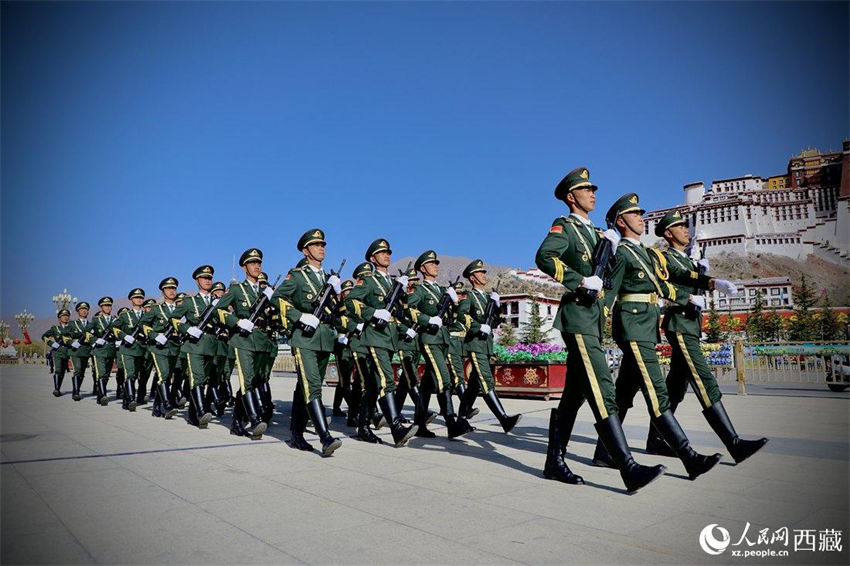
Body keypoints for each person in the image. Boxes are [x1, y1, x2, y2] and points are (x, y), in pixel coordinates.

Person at [535, 167, 666, 492]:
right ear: (571, 196)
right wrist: (578, 280)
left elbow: (607, 276)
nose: (593, 193)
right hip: (577, 316)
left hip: (592, 317)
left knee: (574, 395)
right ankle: (628, 467)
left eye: (594, 189)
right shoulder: (564, 227)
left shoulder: (595, 233)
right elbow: (543, 257)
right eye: (586, 190)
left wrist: (608, 250)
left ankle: (554, 461)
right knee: (602, 386)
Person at [592, 193, 722, 481]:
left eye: (641, 213)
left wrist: (702, 288)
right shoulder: (621, 252)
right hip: (633, 326)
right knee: (656, 390)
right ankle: (689, 457)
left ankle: (604, 451)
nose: (641, 217)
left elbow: (665, 284)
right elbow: (607, 293)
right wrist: (593, 329)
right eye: (635, 213)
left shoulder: (645, 253)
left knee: (624, 392)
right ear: (622, 221)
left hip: (645, 327)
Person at [645, 210, 768, 463]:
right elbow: (676, 280)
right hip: (679, 323)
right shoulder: (666, 258)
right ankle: (734, 443)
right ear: (668, 233)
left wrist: (701, 273)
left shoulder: (688, 259)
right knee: (703, 379)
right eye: (680, 227)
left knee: (675, 388)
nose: (686, 230)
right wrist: (710, 282)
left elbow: (691, 279)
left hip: (690, 324)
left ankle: (655, 439)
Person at [271, 229, 344, 456]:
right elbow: (277, 298)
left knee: (305, 387)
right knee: (312, 385)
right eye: (316, 245)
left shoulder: (328, 278)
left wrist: (338, 293)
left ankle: (296, 434)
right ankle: (325, 437)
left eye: (323, 244)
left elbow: (336, 309)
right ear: (305, 250)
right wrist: (299, 316)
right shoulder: (298, 275)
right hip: (304, 339)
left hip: (324, 339)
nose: (321, 248)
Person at [344, 238, 417, 447]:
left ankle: (364, 427)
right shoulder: (368, 280)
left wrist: (403, 292)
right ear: (372, 258)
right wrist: (372, 312)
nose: (387, 255)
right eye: (382, 253)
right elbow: (350, 302)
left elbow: (400, 311)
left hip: (390, 337)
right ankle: (396, 428)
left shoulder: (393, 283)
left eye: (388, 252)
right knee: (387, 380)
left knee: (375, 384)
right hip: (375, 336)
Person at [407, 250, 472, 439]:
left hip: (443, 339)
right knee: (444, 379)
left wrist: (455, 303)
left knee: (427, 384)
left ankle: (419, 423)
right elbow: (409, 309)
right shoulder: (419, 290)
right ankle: (452, 423)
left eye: (436, 263)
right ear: (422, 269)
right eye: (431, 263)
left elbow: (454, 317)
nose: (436, 265)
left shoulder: (442, 290)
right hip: (429, 340)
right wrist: (427, 320)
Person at [456, 260, 522, 433]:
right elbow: (461, 316)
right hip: (475, 344)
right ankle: (504, 419)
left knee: (474, 385)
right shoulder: (469, 297)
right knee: (486, 380)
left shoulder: (487, 298)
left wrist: (497, 306)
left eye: (484, 272)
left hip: (486, 345)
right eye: (480, 273)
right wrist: (478, 327)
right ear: (472, 277)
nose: (484, 275)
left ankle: (460, 420)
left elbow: (496, 320)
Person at [215, 248, 270, 439]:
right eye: (253, 263)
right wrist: (236, 322)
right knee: (247, 379)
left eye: (259, 263)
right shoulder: (237, 289)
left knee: (254, 381)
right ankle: (255, 419)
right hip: (243, 339)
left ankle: (236, 422)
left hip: (262, 340)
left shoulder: (265, 291)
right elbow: (219, 310)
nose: (257, 266)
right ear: (244, 267)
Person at [172, 266, 218, 429]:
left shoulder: (216, 302)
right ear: (197, 281)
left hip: (211, 346)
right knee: (196, 378)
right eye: (204, 278)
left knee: (202, 380)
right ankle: (201, 411)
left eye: (210, 278)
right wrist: (187, 329)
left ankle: (192, 416)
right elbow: (174, 319)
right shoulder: (189, 302)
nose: (208, 280)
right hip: (194, 346)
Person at [143, 277, 182, 420]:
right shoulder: (155, 309)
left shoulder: (180, 309)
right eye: (168, 289)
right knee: (164, 374)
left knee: (166, 377)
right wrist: (154, 335)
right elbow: (143, 325)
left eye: (174, 288)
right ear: (163, 291)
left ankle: (156, 407)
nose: (172, 291)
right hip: (159, 347)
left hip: (174, 346)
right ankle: (168, 404)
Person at [113, 288, 148, 411]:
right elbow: (114, 328)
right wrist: (124, 336)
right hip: (127, 349)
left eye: (141, 297)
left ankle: (126, 400)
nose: (139, 299)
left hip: (141, 349)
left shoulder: (146, 315)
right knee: (130, 374)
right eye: (136, 297)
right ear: (131, 299)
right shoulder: (125, 316)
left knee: (138, 374)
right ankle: (131, 399)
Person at [90, 297, 118, 405]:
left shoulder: (114, 319)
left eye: (109, 305)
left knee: (106, 374)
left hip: (110, 349)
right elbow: (86, 332)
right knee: (101, 373)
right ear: (101, 307)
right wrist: (95, 340)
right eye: (105, 305)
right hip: (99, 350)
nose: (108, 307)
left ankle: (100, 394)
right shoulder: (96, 320)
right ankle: (103, 395)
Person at [42, 309, 72, 397]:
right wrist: (52, 343)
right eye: (63, 316)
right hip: (57, 352)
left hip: (66, 352)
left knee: (62, 371)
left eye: (67, 316)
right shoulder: (55, 329)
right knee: (58, 370)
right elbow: (44, 336)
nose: (65, 317)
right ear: (59, 319)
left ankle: (59, 387)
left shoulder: (71, 328)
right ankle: (56, 389)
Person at [67, 301, 93, 401]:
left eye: (86, 310)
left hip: (86, 351)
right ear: (78, 311)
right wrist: (71, 342)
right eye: (82, 310)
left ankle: (76, 388)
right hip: (76, 350)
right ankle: (76, 392)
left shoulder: (91, 324)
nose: (84, 311)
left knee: (81, 372)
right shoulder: (73, 324)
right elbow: (67, 335)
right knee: (77, 369)